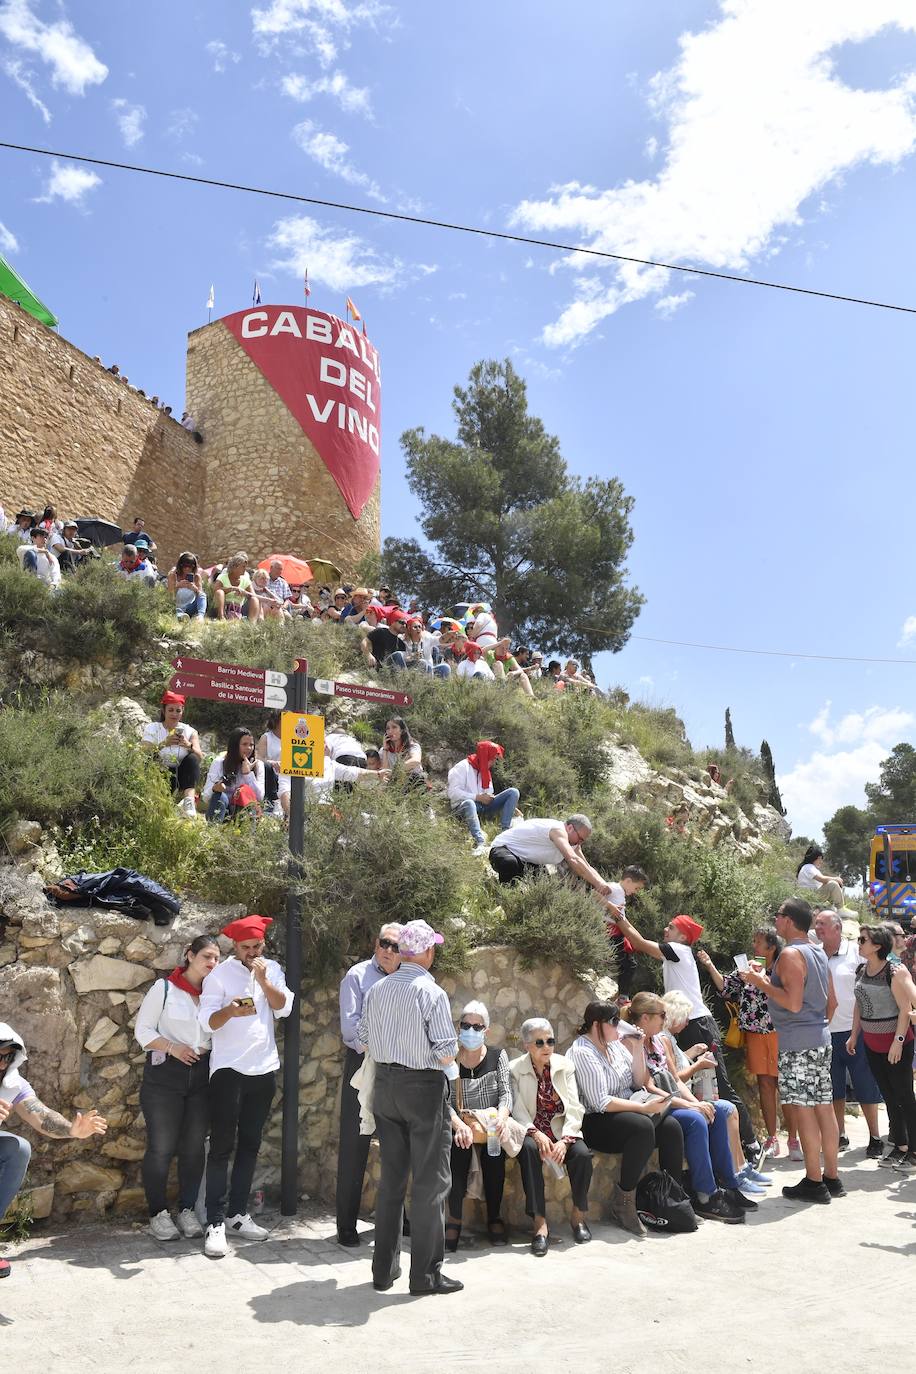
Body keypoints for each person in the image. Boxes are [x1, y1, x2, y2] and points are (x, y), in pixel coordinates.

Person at [357, 919, 463, 1296]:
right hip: (422, 1088)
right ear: (428, 952)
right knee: (430, 1182)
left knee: (392, 1181)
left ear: (403, 952)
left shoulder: (378, 988)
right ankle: (426, 1275)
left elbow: (363, 1038)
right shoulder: (430, 992)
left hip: (385, 1085)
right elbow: (447, 1050)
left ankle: (383, 1271)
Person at [615, 910, 758, 1156]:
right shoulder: (678, 954)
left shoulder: (679, 950)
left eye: (670, 928)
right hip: (689, 1023)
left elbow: (638, 943)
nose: (665, 931)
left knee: (719, 1085)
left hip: (697, 1024)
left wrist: (617, 916)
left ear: (682, 936)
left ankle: (750, 1143)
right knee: (693, 1084)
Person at [198, 914, 294, 1257]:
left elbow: (283, 1007)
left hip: (263, 1068)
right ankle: (215, 1222)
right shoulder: (220, 974)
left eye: (257, 946)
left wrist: (265, 981)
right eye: (245, 947)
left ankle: (238, 1214)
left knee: (251, 1143)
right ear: (234, 947)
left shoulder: (272, 969)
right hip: (228, 1069)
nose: (252, 952)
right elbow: (208, 1022)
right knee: (222, 1145)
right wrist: (230, 1012)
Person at [740, 898, 843, 1203]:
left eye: (779, 914)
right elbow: (832, 1003)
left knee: (804, 1109)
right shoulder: (818, 951)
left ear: (789, 921)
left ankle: (814, 1181)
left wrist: (761, 982)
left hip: (798, 1044)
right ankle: (831, 1177)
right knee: (823, 1106)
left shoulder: (790, 954)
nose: (776, 918)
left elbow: (792, 1002)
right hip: (819, 1039)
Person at [623, 993, 752, 1222]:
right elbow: (647, 1086)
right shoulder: (631, 1042)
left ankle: (727, 1184)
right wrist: (690, 1106)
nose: (665, 1019)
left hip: (669, 1097)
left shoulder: (658, 1041)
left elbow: (675, 1080)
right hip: (650, 1103)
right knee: (695, 1120)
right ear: (644, 1018)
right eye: (661, 1015)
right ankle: (705, 1195)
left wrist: (696, 1103)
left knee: (719, 1110)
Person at [567, 1001, 684, 1237]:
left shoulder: (615, 1046)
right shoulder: (582, 1051)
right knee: (642, 1126)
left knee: (671, 1126)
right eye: (613, 1022)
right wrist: (645, 1108)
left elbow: (640, 1081)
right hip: (598, 1120)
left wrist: (639, 1047)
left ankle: (673, 1198)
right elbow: (601, 1102)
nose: (618, 1027)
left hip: (627, 1111)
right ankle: (624, 1201)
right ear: (597, 1024)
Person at [0, 1023, 106, 1278]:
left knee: (18, 1149)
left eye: (7, 1057)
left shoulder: (12, 1084)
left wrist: (73, 1130)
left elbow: (42, 1115)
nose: (3, 1065)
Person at [134, 935, 220, 1240]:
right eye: (206, 956)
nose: (211, 963)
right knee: (161, 1147)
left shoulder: (214, 994)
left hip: (202, 1076)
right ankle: (158, 1213)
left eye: (216, 959)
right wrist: (173, 1047)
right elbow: (142, 1030)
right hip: (165, 1076)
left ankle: (186, 1210)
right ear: (189, 955)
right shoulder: (165, 988)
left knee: (194, 1147)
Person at [335, 924, 403, 1246]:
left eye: (395, 945)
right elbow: (350, 1030)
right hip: (363, 1064)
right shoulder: (358, 976)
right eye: (384, 943)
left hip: (396, 1068)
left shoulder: (407, 978)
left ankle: (394, 1219)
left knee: (396, 1146)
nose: (388, 950)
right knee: (354, 1144)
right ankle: (346, 1225)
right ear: (376, 943)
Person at [697, 926, 789, 1157]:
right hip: (756, 1034)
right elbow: (726, 989)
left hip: (781, 1033)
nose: (754, 946)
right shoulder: (747, 969)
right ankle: (772, 1138)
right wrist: (709, 965)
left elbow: (788, 994)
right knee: (766, 1085)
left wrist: (760, 979)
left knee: (786, 1086)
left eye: (758, 942)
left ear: (772, 946)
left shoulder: (784, 968)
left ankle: (795, 1139)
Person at [510, 1016, 593, 1254]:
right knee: (527, 1151)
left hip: (561, 1131)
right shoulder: (515, 1070)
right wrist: (535, 1134)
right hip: (533, 1131)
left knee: (582, 1155)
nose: (546, 1047)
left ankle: (578, 1217)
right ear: (527, 1045)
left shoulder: (564, 1065)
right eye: (539, 1042)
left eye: (550, 1041)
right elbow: (518, 1109)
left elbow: (575, 1107)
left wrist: (566, 1141)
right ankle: (540, 1225)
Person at [812, 909, 884, 1157]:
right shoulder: (815, 954)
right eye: (816, 923)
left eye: (823, 923)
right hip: (825, 1033)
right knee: (834, 1089)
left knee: (866, 1086)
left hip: (857, 1031)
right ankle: (839, 1134)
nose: (818, 927)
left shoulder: (856, 952)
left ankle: (875, 1137)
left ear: (837, 928)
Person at [446, 1001, 512, 1250]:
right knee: (458, 1148)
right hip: (461, 1123)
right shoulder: (450, 1058)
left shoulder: (498, 1056)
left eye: (477, 1026)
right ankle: (454, 1218)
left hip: (491, 1123)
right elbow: (444, 1100)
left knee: (495, 1151)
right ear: (459, 1027)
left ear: (486, 1029)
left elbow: (506, 1093)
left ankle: (494, 1216)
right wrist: (457, 1125)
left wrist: (502, 1118)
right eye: (466, 1025)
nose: (471, 1031)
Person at [849, 924, 916, 1169]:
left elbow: (905, 1010)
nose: (859, 943)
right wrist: (854, 1034)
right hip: (872, 1044)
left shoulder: (895, 972)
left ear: (877, 945)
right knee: (888, 1097)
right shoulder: (861, 970)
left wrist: (898, 1042)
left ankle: (914, 1151)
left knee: (905, 1097)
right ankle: (901, 1146)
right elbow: (859, 1004)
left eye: (862, 939)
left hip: (896, 1044)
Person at [488, 813, 611, 895]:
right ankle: (504, 895)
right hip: (502, 850)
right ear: (569, 828)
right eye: (580, 838)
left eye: (582, 841)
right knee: (510, 864)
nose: (580, 843)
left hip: (525, 860)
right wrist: (597, 884)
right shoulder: (557, 830)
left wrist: (603, 884)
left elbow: (586, 866)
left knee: (546, 885)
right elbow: (573, 860)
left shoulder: (573, 842)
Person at [447, 741, 519, 855]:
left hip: (482, 806)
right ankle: (480, 842)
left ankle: (505, 833)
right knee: (470, 803)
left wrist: (508, 804)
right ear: (486, 756)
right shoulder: (462, 767)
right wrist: (477, 797)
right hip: (463, 807)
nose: (494, 762)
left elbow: (488, 793)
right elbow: (452, 793)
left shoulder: (485, 770)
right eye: (493, 759)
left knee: (513, 792)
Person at [141, 690, 203, 819]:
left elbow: (199, 757)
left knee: (192, 758)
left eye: (178, 711)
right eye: (171, 710)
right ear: (164, 711)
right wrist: (164, 744)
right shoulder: (152, 728)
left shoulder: (190, 731)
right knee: (152, 759)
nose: (174, 714)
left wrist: (188, 746)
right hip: (159, 774)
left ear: (182, 711)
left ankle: (189, 802)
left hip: (180, 775)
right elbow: (144, 752)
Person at [202, 727, 265, 824]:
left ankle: (246, 835)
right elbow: (205, 797)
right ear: (235, 746)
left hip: (245, 813)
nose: (249, 748)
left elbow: (260, 797)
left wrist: (248, 774)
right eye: (244, 744)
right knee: (220, 797)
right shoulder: (219, 762)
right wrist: (215, 788)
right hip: (224, 810)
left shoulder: (258, 765)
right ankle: (214, 831)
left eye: (251, 745)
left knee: (244, 791)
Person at [603, 864, 649, 999]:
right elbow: (594, 892)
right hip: (609, 932)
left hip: (612, 932)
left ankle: (622, 995)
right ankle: (623, 997)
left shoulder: (619, 892)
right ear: (628, 881)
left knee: (627, 963)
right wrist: (610, 906)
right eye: (636, 888)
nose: (636, 891)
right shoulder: (615, 888)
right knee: (629, 964)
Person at [212, 553, 259, 623]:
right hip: (223, 606)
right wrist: (233, 588)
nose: (245, 569)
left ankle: (252, 623)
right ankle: (221, 617)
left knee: (254, 599)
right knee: (220, 592)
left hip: (238, 609)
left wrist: (244, 593)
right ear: (235, 567)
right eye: (243, 567)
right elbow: (215, 590)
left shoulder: (245, 581)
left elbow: (253, 595)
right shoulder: (222, 577)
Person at [380, 717, 426, 788]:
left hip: (413, 781)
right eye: (388, 728)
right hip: (395, 783)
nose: (390, 731)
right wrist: (385, 750)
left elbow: (416, 760)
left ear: (402, 730)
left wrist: (395, 771)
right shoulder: (384, 750)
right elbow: (384, 773)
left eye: (394, 727)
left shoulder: (412, 746)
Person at [796, 845, 845, 909]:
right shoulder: (809, 867)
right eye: (820, 859)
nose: (821, 862)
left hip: (809, 895)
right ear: (814, 858)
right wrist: (836, 879)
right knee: (833, 884)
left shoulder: (807, 867)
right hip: (811, 896)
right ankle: (840, 908)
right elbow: (822, 879)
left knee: (832, 886)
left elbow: (822, 883)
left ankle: (832, 908)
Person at [256, 712, 283, 816]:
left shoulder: (293, 738)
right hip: (272, 775)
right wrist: (272, 763)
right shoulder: (267, 737)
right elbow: (259, 758)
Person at [167, 552, 207, 619]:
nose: (187, 568)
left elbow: (200, 596)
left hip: (190, 606)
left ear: (194, 566)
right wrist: (177, 586)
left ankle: (200, 616)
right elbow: (169, 595)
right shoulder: (173, 575)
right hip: (176, 606)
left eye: (190, 566)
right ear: (180, 565)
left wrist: (195, 589)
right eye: (185, 566)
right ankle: (181, 616)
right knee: (177, 611)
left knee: (202, 595)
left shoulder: (197, 577)